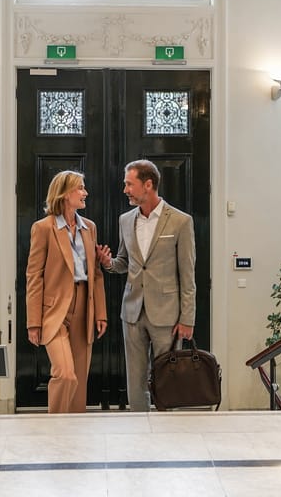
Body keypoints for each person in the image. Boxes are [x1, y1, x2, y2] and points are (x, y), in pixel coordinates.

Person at [98, 159, 196, 411]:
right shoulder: (125, 220)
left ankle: (166, 426)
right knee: (135, 378)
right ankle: (138, 424)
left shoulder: (181, 221)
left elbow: (187, 275)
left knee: (167, 377)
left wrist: (187, 318)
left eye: (129, 184)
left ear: (148, 184)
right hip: (132, 311)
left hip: (167, 313)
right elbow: (124, 262)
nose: (125, 190)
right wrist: (108, 263)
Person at [26, 170, 108, 413]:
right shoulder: (43, 228)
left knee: (79, 382)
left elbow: (96, 274)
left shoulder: (89, 228)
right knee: (65, 375)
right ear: (64, 194)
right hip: (54, 309)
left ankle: (74, 432)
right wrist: (33, 322)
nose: (85, 193)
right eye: (80, 188)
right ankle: (55, 428)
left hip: (84, 305)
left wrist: (100, 313)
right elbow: (34, 276)